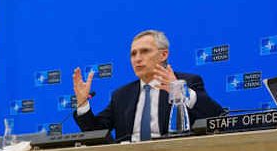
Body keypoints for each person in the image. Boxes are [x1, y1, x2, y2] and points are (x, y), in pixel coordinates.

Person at [72, 30, 223, 142]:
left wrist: (180, 91)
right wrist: (83, 104)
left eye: (144, 51)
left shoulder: (187, 81)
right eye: (133, 54)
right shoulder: (121, 95)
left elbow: (215, 116)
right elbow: (97, 133)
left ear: (163, 55)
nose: (137, 59)